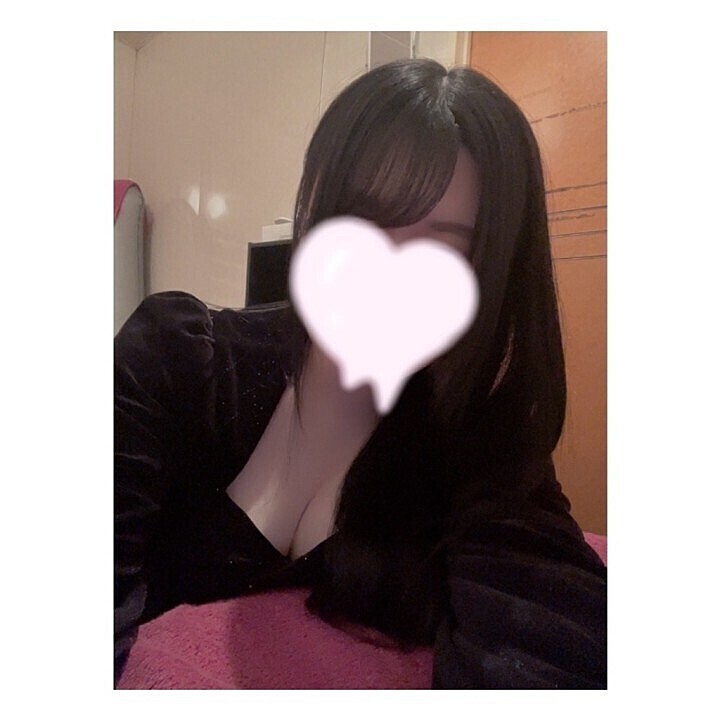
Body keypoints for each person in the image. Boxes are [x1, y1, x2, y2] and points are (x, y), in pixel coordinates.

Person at [114, 58, 607, 689]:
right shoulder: (176, 358)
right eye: (360, 221)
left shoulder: (479, 441)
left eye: (442, 247)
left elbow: (547, 640)